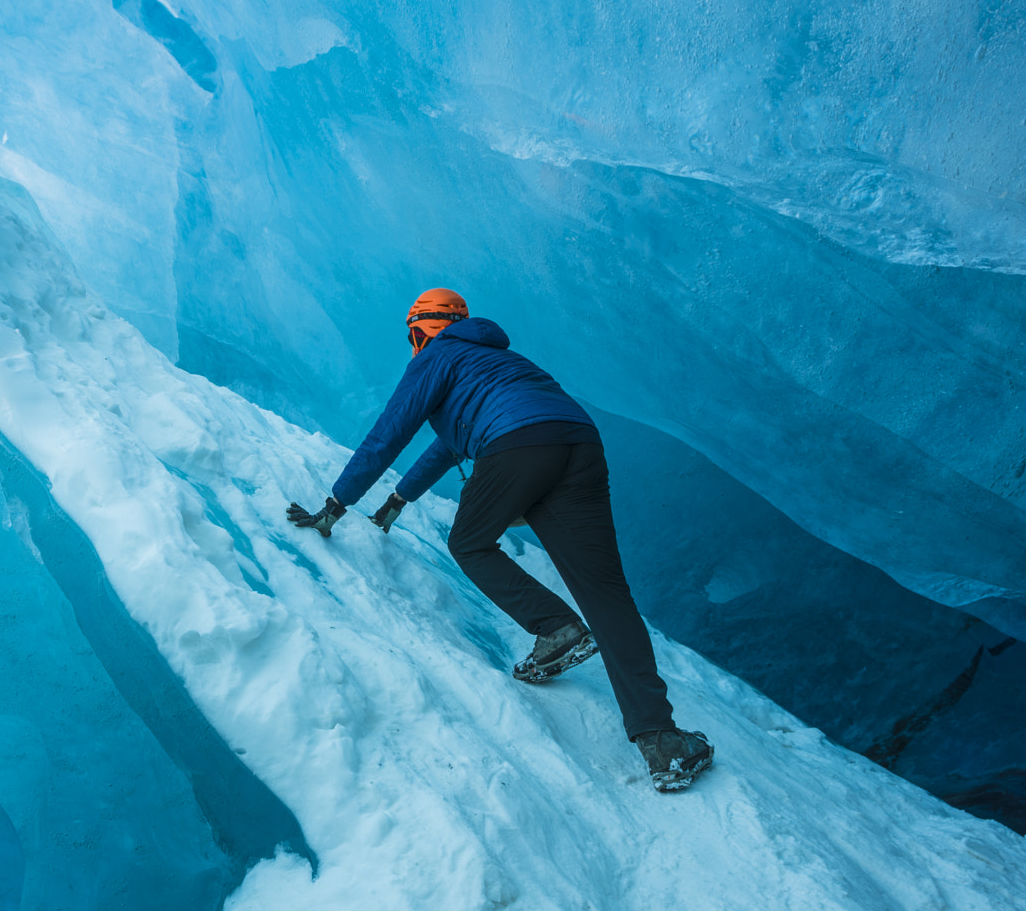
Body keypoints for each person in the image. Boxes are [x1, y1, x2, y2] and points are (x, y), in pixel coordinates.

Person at [286, 288, 715, 792]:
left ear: (419, 328)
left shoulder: (439, 353)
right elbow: (447, 446)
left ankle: (557, 627)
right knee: (606, 593)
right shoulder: (498, 360)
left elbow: (390, 431)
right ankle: (660, 740)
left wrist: (335, 506)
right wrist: (398, 501)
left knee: (468, 543)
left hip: (517, 445)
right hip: (577, 442)